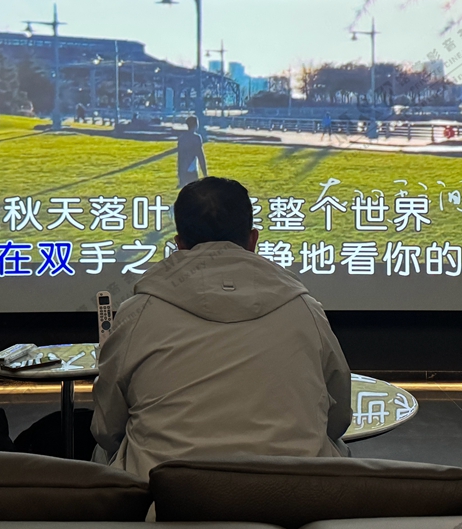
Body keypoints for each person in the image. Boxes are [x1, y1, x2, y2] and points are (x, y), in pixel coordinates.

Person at [92, 176, 353, 478]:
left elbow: (107, 429)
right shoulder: (306, 310)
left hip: (170, 497)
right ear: (253, 240)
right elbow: (338, 418)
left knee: (105, 456)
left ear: (179, 245)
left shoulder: (136, 314)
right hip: (291, 494)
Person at [175, 115, 207, 187]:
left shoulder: (182, 138)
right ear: (196, 125)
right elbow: (200, 156)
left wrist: (180, 173)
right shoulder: (196, 138)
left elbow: (180, 157)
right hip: (192, 168)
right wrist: (205, 173)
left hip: (183, 168)